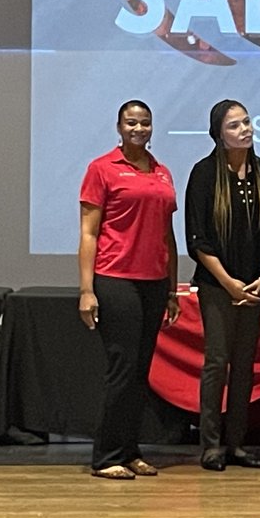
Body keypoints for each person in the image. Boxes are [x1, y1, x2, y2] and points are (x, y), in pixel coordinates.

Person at [77, 100, 180, 480]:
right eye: (131, 122)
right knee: (122, 368)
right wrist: (87, 290)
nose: (138, 128)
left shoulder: (163, 172)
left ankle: (130, 450)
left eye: (145, 122)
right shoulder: (101, 169)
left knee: (140, 372)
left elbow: (167, 236)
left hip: (154, 282)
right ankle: (106, 457)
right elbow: (89, 232)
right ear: (119, 127)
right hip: (115, 277)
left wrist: (172, 290)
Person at [185, 99, 260, 471]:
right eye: (234, 125)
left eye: (246, 122)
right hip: (216, 287)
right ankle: (210, 446)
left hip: (256, 287)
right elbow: (197, 240)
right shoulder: (204, 174)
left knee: (244, 365)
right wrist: (229, 284)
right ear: (218, 134)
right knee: (217, 362)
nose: (244, 129)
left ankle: (236, 444)